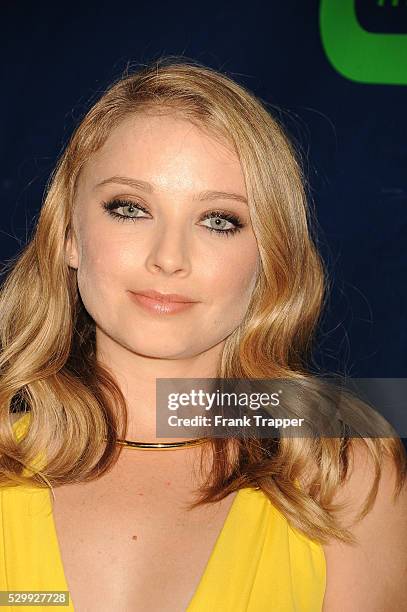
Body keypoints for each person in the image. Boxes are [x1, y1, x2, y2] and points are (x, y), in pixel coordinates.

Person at [0, 56, 406, 612]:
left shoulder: (341, 469)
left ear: (269, 255)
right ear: (69, 235)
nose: (169, 258)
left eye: (219, 220)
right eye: (130, 208)